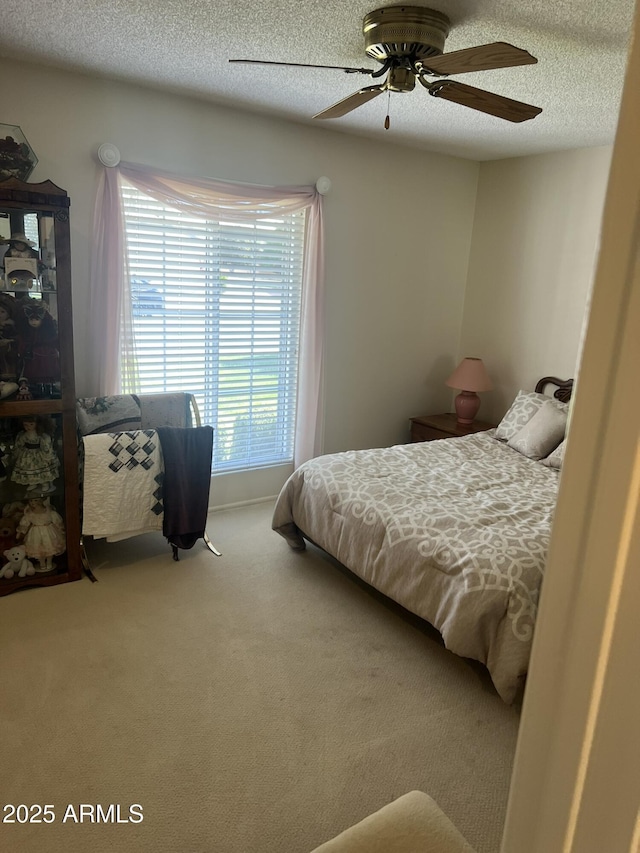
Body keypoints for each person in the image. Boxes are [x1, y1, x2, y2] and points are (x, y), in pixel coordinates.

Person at [10, 416, 59, 494]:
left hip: (38, 454)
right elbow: (19, 444)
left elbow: (45, 445)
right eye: (25, 425)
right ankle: (33, 483)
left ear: (37, 424)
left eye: (31, 424)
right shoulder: (23, 435)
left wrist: (47, 456)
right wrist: (16, 452)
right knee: (28, 469)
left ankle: (44, 483)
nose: (28, 427)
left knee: (41, 469)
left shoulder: (41, 435)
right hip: (27, 454)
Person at [16, 496, 66, 572]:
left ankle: (49, 562)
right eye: (31, 500)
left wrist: (61, 530)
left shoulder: (49, 511)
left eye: (35, 500)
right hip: (35, 532)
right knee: (38, 549)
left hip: (48, 530)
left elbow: (57, 521)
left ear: (40, 501)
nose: (33, 503)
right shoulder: (30, 513)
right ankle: (42, 564)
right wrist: (20, 532)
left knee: (50, 547)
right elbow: (25, 523)